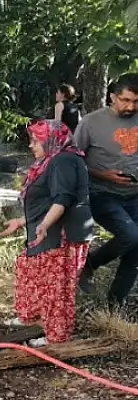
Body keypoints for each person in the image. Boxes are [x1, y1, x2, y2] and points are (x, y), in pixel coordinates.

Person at [0, 119, 95, 346]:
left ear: (51, 140)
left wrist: (43, 226)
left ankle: (57, 337)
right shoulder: (52, 160)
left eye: (36, 141)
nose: (31, 146)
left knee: (56, 287)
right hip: (47, 230)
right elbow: (45, 202)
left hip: (61, 234)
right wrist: (23, 222)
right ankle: (33, 318)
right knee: (29, 270)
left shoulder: (63, 161)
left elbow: (62, 200)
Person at [73, 73, 138, 311]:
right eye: (125, 100)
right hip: (100, 193)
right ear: (112, 97)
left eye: (136, 101)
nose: (130, 106)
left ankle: (114, 308)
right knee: (131, 236)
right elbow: (73, 160)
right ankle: (89, 264)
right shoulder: (90, 123)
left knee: (135, 253)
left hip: (134, 194)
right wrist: (103, 175)